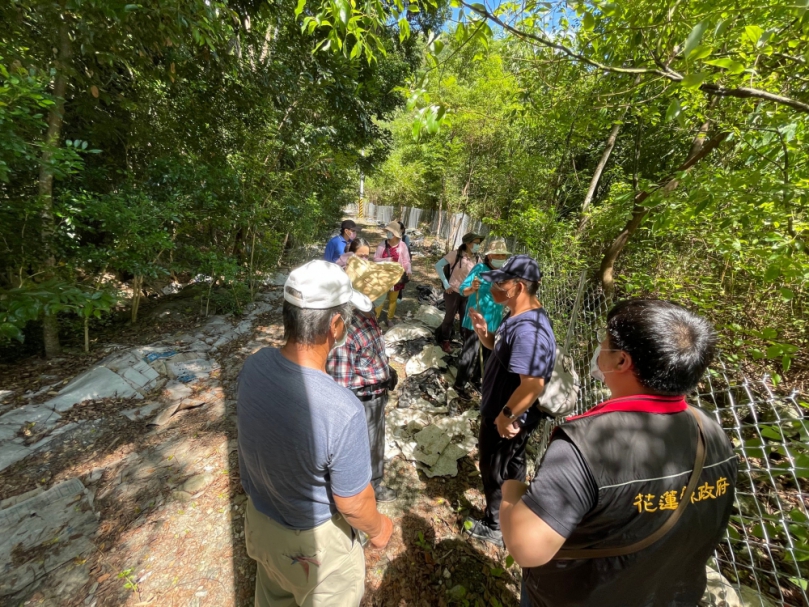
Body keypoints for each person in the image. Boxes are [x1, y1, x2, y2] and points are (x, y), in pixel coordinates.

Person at [500, 299, 738, 607]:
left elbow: (527, 548)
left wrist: (511, 493)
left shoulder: (587, 443)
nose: (600, 344)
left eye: (606, 340)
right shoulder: (713, 432)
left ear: (621, 360)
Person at [237, 260, 393, 607]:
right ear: (336, 325)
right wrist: (381, 530)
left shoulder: (254, 366)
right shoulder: (342, 409)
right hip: (314, 549)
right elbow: (352, 503)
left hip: (261, 527)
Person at [464, 254, 556, 548]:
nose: (494, 287)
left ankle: (496, 527)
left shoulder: (530, 330)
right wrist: (485, 335)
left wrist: (505, 416)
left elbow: (533, 384)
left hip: (506, 418)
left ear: (516, 287)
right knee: (512, 465)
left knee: (493, 468)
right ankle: (513, 513)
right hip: (507, 413)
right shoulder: (516, 315)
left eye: (500, 282)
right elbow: (501, 348)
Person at [327, 256, 404, 503]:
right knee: (369, 443)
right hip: (363, 395)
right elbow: (352, 372)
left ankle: (359, 482)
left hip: (356, 391)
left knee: (360, 442)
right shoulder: (353, 325)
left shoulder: (351, 314)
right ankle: (371, 487)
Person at [453, 238, 511, 398]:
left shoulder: (503, 274)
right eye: (497, 255)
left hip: (493, 322)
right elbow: (463, 290)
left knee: (487, 354)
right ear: (490, 255)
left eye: (503, 255)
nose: (500, 258)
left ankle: (477, 380)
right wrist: (473, 288)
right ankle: (459, 385)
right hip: (476, 320)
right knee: (470, 353)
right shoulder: (480, 269)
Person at [433, 232, 483, 354]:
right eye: (475, 243)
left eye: (478, 243)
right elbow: (438, 266)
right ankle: (445, 341)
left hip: (468, 294)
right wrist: (446, 284)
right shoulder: (455, 255)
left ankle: (465, 344)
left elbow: (480, 274)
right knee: (449, 317)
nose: (477, 246)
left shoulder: (477, 259)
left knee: (465, 319)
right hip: (453, 292)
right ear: (467, 243)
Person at [374, 221, 411, 327]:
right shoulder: (382, 244)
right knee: (380, 298)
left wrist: (408, 270)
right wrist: (388, 259)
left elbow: (406, 260)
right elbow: (375, 259)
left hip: (396, 277)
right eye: (387, 232)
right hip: (383, 277)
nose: (388, 234)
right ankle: (375, 318)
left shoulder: (402, 245)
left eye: (390, 232)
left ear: (395, 234)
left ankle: (389, 318)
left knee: (393, 299)